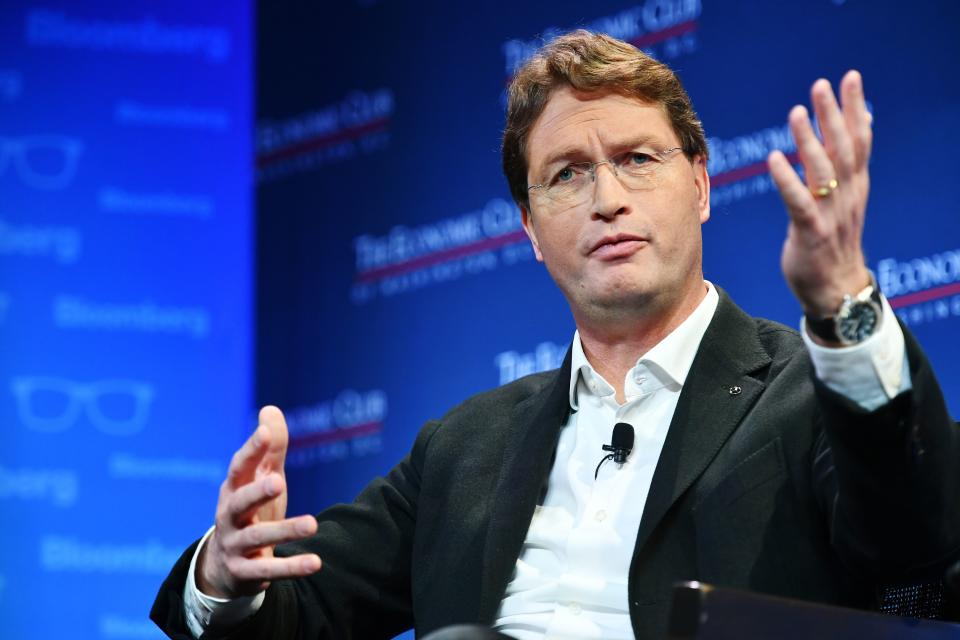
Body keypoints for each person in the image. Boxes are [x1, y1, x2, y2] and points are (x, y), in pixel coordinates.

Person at [151, 31, 959, 640]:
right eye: (567, 173)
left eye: (639, 158)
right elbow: (295, 610)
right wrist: (225, 576)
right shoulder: (463, 448)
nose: (607, 197)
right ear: (532, 229)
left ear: (702, 185)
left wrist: (844, 305)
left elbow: (919, 544)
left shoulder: (808, 396)